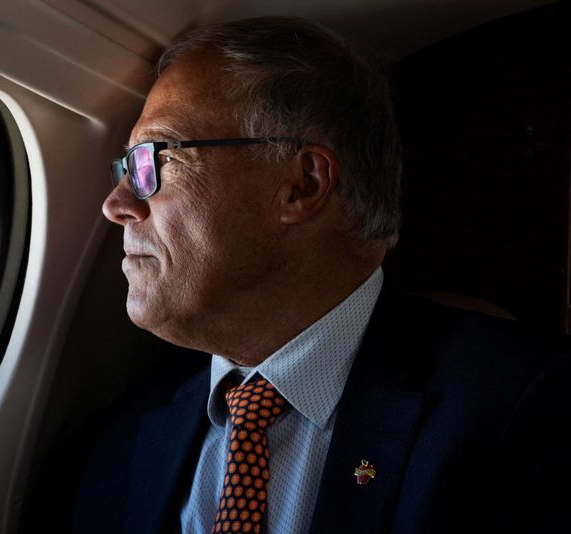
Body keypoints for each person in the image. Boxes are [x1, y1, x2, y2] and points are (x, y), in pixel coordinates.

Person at [40, 16, 569, 534]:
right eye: (126, 169)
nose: (117, 204)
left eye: (153, 160)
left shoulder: (525, 411)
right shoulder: (124, 438)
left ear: (302, 184)